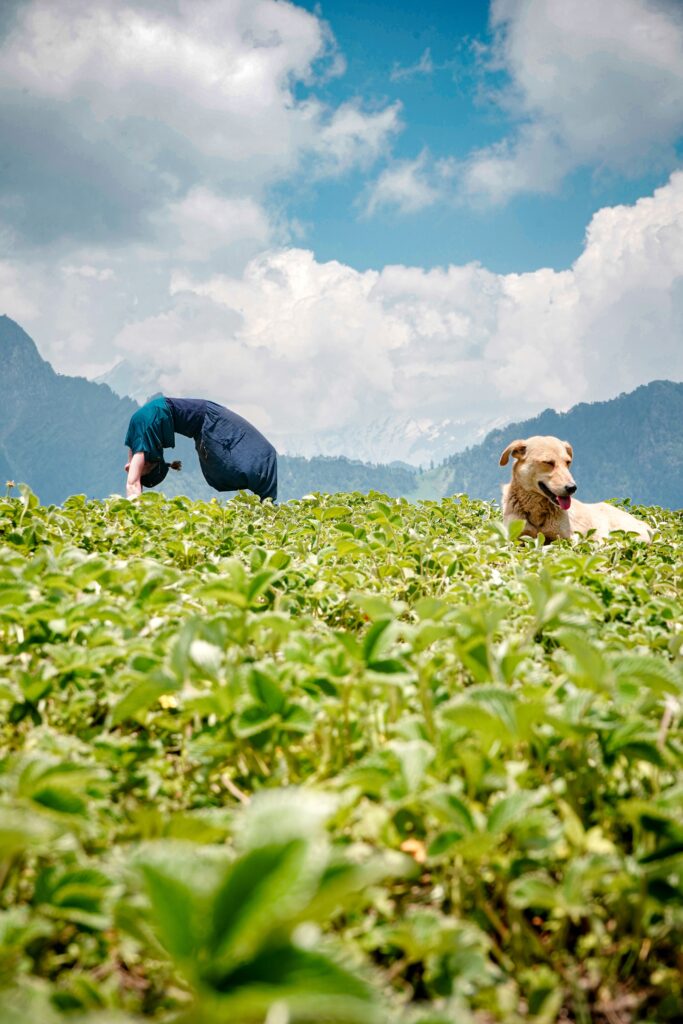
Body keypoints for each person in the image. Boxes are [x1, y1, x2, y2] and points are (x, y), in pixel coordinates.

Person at [124, 396, 278, 501]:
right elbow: (132, 472)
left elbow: (133, 483)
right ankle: (263, 496)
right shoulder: (139, 430)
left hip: (209, 418)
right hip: (203, 416)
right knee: (221, 473)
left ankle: (266, 498)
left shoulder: (142, 439)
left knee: (251, 459)